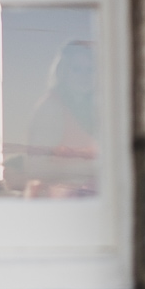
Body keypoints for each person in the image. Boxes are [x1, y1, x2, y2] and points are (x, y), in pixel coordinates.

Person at [26, 41, 98, 197]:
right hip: (56, 204)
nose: (84, 76)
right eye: (77, 69)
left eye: (90, 69)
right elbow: (35, 167)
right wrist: (84, 169)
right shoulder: (51, 107)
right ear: (64, 71)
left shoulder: (98, 108)